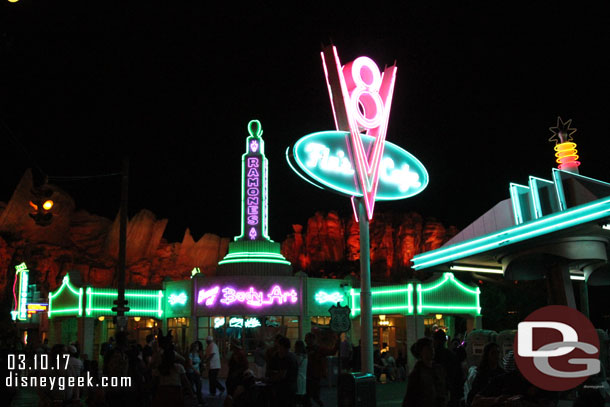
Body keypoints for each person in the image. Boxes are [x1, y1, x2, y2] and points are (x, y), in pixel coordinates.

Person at [403, 337, 448, 407]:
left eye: (432, 348)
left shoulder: (438, 369)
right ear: (421, 352)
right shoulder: (417, 373)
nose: (432, 351)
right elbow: (410, 397)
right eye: (428, 349)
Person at [305, 332, 336, 407]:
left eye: (307, 339)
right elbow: (332, 352)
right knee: (311, 395)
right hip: (312, 375)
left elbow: (332, 352)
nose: (306, 341)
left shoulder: (316, 349)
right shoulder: (315, 349)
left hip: (313, 375)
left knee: (311, 395)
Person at [433, 329, 463, 407]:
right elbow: (459, 375)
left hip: (436, 392)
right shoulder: (451, 355)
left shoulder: (432, 356)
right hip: (451, 390)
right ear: (445, 341)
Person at [267, 336, 298, 406]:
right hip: (290, 388)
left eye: (278, 347)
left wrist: (269, 379)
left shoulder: (286, 358)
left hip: (285, 389)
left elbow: (282, 375)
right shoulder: (291, 356)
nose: (277, 349)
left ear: (282, 347)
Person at [294, 340, 308, 407]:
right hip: (303, 378)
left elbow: (295, 366)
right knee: (301, 396)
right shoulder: (305, 356)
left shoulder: (298, 356)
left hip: (298, 378)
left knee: (297, 397)